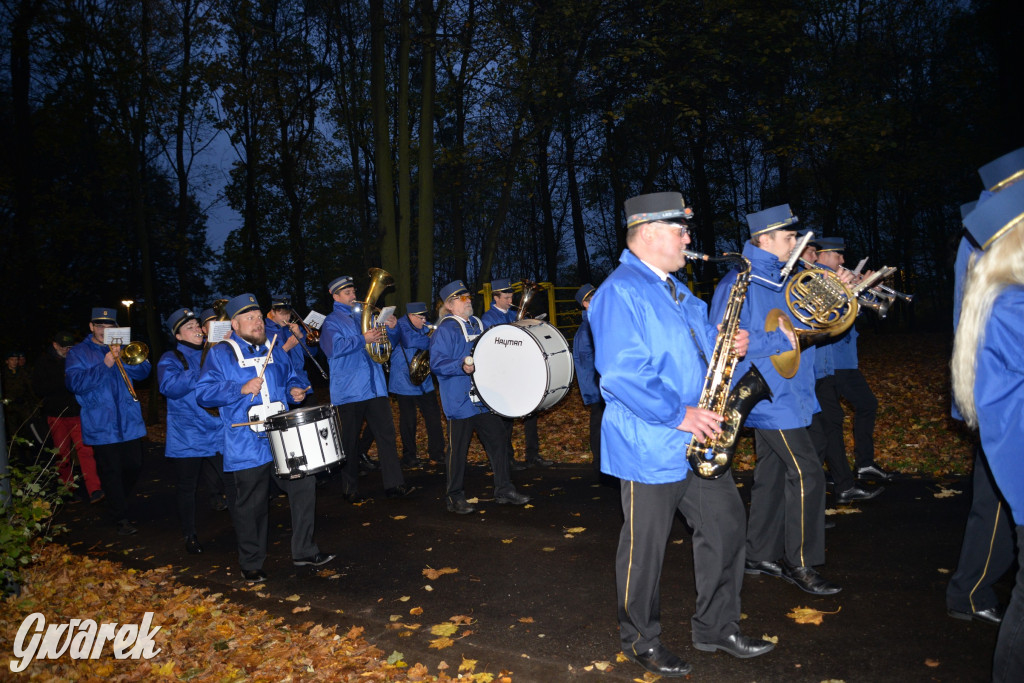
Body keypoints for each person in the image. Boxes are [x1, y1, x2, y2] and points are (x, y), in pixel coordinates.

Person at [592, 191, 771, 678]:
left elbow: (696, 348)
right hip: (650, 442)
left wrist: (726, 342)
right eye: (680, 231)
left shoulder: (678, 290)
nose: (689, 240)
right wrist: (679, 414)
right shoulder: (619, 291)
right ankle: (641, 639)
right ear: (649, 233)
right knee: (644, 549)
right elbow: (621, 373)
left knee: (728, 526)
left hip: (700, 437)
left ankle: (716, 627)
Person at [709, 204, 841, 596]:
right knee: (807, 472)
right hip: (769, 397)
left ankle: (758, 552)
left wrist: (840, 295)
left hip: (793, 392)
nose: (796, 245)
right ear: (763, 240)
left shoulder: (786, 280)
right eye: (788, 238)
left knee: (770, 474)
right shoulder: (739, 283)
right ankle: (800, 562)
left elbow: (812, 330)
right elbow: (725, 343)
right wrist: (784, 339)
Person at [196, 293, 334, 582]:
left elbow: (292, 378)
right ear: (234, 323)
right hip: (246, 442)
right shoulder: (221, 353)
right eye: (250, 318)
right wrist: (240, 388)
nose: (258, 322)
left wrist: (297, 390)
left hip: (282, 437)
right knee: (252, 504)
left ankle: (304, 550)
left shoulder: (275, 348)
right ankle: (251, 563)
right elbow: (204, 394)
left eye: (259, 317)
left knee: (304, 485)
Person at [946, 149, 1023, 626]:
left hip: (991, 381)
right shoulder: (990, 232)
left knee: (994, 494)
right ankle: (969, 591)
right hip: (996, 384)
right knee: (994, 497)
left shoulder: (992, 226)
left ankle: (971, 590)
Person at [429, 280, 530, 514]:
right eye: (464, 299)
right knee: (458, 451)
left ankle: (504, 490)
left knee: (499, 443)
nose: (469, 301)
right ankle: (454, 497)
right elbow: (436, 363)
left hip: (483, 400)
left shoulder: (477, 323)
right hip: (460, 401)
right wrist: (459, 365)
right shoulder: (445, 329)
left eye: (468, 297)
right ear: (451, 304)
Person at [319, 275, 415, 502]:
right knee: (349, 441)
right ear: (335, 296)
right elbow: (333, 348)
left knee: (387, 438)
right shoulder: (332, 321)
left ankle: (394, 485)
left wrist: (391, 328)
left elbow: (385, 346)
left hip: (375, 387)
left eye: (353, 291)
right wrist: (363, 338)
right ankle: (349, 489)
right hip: (349, 391)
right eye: (347, 293)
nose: (353, 296)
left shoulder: (367, 316)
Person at [805, 237, 882, 504]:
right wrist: (851, 289)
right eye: (812, 252)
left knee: (829, 428)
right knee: (824, 432)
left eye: (815, 252)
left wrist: (860, 290)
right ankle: (813, 499)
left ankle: (842, 486)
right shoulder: (809, 279)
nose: (813, 257)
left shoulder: (820, 277)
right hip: (815, 369)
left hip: (823, 369)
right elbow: (826, 319)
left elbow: (842, 317)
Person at [65, 307, 151, 536]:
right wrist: (105, 364)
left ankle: (116, 498)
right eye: (100, 325)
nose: (105, 330)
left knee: (134, 465)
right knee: (111, 471)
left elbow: (143, 372)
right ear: (92, 327)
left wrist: (127, 357)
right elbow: (74, 383)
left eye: (110, 326)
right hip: (101, 422)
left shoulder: (122, 347)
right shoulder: (79, 352)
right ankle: (120, 517)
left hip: (129, 422)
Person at [158, 308, 232, 554]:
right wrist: (200, 369)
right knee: (187, 488)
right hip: (188, 435)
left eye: (197, 325)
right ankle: (190, 534)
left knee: (231, 480)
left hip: (215, 429)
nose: (197, 330)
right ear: (178, 336)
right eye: (188, 327)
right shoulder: (170, 358)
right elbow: (169, 387)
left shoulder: (214, 352)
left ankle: (243, 528)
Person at [481, 277, 553, 470]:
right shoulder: (488, 318)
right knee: (505, 420)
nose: (510, 299)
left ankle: (533, 454)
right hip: (502, 373)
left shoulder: (514, 313)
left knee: (532, 412)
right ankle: (507, 459)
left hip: (519, 370)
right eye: (505, 297)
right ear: (496, 297)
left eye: (511, 295)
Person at [31, 331, 104, 503]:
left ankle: (95, 489)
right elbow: (39, 388)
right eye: (64, 347)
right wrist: (64, 382)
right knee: (62, 454)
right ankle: (67, 490)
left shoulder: (77, 358)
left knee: (86, 451)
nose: (67, 350)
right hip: (56, 414)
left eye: (71, 347)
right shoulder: (44, 362)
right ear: (55, 345)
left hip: (77, 412)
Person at [388, 302, 446, 466]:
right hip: (403, 381)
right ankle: (409, 456)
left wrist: (430, 335)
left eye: (425, 317)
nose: (424, 321)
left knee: (433, 416)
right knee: (408, 421)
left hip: (423, 380)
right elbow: (409, 340)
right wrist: (430, 337)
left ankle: (437, 452)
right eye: (420, 318)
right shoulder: (400, 324)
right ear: (411, 316)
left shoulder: (423, 326)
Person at [571, 283, 604, 475]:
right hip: (599, 388)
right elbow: (585, 365)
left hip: (603, 386)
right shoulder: (586, 330)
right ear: (585, 303)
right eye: (593, 299)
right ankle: (599, 464)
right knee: (598, 425)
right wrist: (594, 391)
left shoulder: (597, 323)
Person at [265, 295, 313, 399]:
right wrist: (285, 348)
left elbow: (312, 353)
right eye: (282, 314)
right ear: (273, 312)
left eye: (288, 314)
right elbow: (265, 362)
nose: (286, 318)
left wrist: (300, 335)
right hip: (280, 387)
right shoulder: (264, 331)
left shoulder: (294, 329)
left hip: (302, 382)